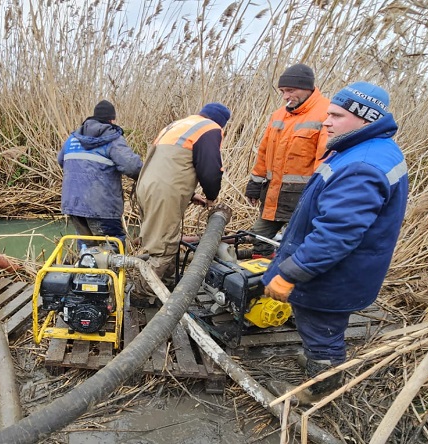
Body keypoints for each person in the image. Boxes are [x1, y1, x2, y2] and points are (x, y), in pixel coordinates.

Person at [262, 82, 409, 405]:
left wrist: (291, 273)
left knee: (321, 327)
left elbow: (335, 234)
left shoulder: (361, 165)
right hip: (347, 269)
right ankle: (321, 362)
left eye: (336, 115)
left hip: (332, 275)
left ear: (365, 119)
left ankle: (320, 388)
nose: (326, 121)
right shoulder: (365, 150)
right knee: (322, 325)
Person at [135, 102, 231, 291]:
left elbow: (170, 164)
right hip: (164, 192)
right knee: (163, 248)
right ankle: (142, 294)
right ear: (221, 122)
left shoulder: (179, 125)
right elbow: (211, 168)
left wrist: (190, 194)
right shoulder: (210, 128)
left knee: (160, 240)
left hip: (146, 187)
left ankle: (164, 285)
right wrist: (212, 195)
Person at [245, 64, 330, 258]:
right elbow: (264, 152)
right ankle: (262, 281)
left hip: (304, 200)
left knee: (299, 246)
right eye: (283, 91)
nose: (285, 96)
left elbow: (325, 161)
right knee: (258, 238)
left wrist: (319, 196)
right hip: (273, 195)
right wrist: (255, 183)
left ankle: (289, 282)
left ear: (308, 88)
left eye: (290, 90)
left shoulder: (326, 114)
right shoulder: (278, 115)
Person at [58, 100, 142, 250]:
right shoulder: (113, 139)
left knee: (87, 247)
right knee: (111, 247)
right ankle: (109, 273)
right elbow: (132, 167)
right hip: (102, 206)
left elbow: (61, 160)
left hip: (73, 204)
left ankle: (86, 272)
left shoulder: (72, 139)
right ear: (111, 120)